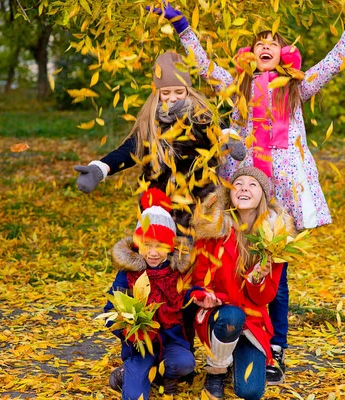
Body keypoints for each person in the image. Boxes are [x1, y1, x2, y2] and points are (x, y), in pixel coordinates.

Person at [150, 0, 345, 383]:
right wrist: (182, 27)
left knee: (275, 272)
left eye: (273, 42)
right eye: (259, 42)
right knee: (231, 261)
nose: (265, 46)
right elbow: (205, 67)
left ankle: (274, 347)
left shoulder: (297, 88)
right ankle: (226, 337)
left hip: (283, 196)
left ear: (283, 53)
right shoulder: (237, 86)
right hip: (244, 190)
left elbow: (332, 63)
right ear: (250, 54)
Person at [74, 51, 244, 232]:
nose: (173, 98)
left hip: (199, 201)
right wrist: (101, 168)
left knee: (194, 253)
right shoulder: (151, 122)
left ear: (188, 90)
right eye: (166, 93)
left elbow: (219, 129)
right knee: (159, 252)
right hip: (158, 203)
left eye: (179, 92)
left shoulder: (200, 116)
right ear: (157, 94)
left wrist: (229, 140)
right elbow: (129, 150)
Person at [185, 167, 294, 400]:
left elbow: (265, 298)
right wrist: (205, 295)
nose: (244, 187)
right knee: (232, 316)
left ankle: (232, 355)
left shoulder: (273, 239)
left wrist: (258, 276)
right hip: (219, 316)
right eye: (239, 184)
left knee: (251, 391)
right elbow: (197, 280)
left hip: (252, 322)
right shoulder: (213, 230)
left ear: (262, 196)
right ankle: (216, 371)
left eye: (252, 184)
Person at [104, 188, 195, 399]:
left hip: (171, 341)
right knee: (135, 395)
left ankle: (166, 375)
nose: (153, 253)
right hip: (140, 345)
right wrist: (128, 330)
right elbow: (111, 311)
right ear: (138, 245)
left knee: (184, 363)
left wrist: (199, 296)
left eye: (160, 246)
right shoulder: (128, 274)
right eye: (147, 245)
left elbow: (190, 298)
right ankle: (127, 374)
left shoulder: (177, 272)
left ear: (170, 247)